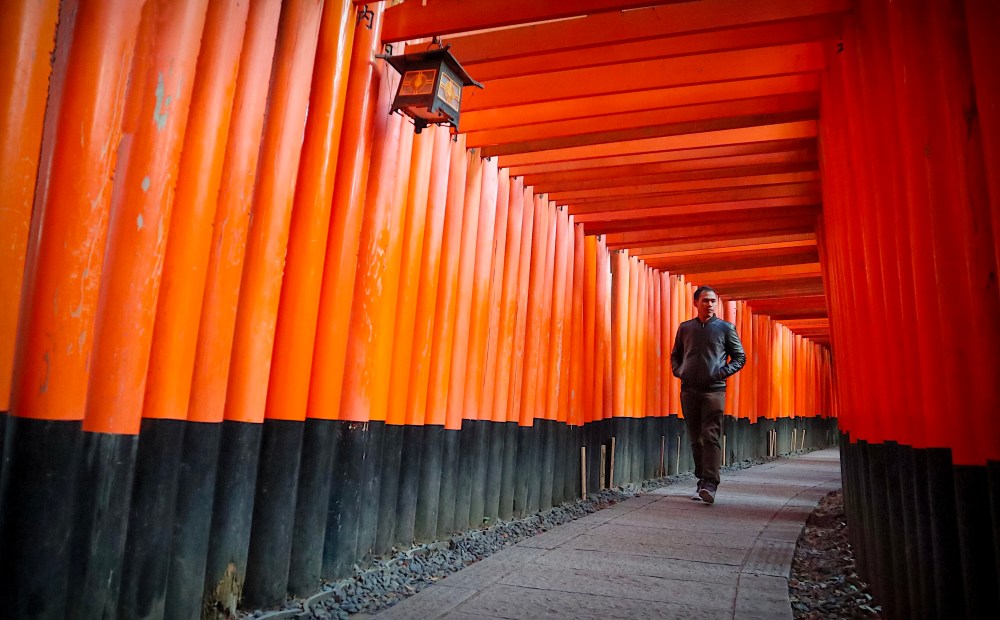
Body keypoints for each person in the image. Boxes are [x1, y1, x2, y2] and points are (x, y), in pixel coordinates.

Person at [670, 286, 745, 504]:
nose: (709, 304)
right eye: (705, 300)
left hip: (714, 390)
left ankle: (710, 484)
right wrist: (680, 371)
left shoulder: (725, 328)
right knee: (696, 438)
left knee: (710, 435)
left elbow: (740, 357)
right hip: (689, 390)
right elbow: (675, 355)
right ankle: (701, 480)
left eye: (713, 301)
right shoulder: (685, 328)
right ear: (696, 303)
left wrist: (721, 373)